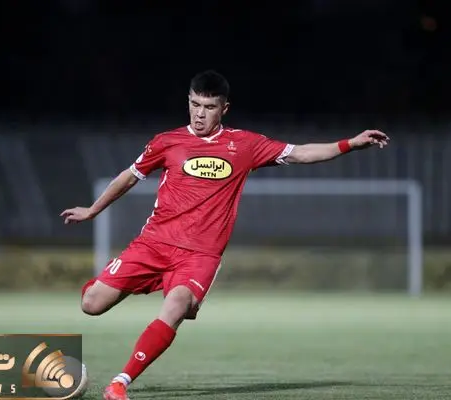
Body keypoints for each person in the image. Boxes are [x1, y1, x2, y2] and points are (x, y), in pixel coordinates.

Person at [61, 70, 390, 400]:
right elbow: (129, 176)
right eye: (194, 105)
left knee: (176, 306)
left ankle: (120, 383)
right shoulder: (166, 142)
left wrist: (350, 144)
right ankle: (122, 285)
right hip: (154, 243)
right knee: (91, 304)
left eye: (209, 107)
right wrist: (93, 210)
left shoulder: (245, 145)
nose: (200, 114)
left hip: (199, 256)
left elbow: (301, 153)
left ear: (224, 109)